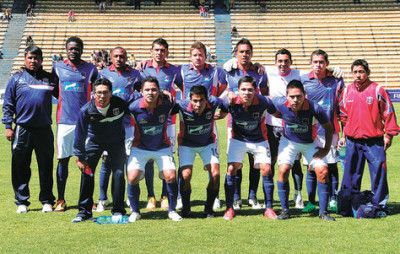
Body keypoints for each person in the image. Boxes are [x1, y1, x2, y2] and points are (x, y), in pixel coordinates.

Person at [338, 59, 400, 214]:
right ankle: (349, 205)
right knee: (350, 175)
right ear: (351, 73)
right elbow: (343, 116)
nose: (358, 75)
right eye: (355, 72)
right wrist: (344, 136)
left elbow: (389, 113)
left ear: (367, 73)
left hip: (374, 141)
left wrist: (389, 135)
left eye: (361, 72)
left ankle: (380, 205)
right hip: (353, 141)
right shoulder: (347, 91)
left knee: (378, 173)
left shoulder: (377, 89)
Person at [2, 46, 57, 214]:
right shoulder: (16, 79)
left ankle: (47, 200)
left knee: (46, 166)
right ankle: (22, 201)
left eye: (36, 58)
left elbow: (65, 97)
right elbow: (8, 104)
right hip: (22, 129)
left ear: (41, 60)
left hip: (44, 129)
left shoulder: (50, 78)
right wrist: (7, 127)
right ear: (25, 59)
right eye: (30, 58)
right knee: (20, 166)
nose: (33, 61)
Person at [273, 80, 335, 221]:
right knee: (283, 170)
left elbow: (329, 128)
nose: (295, 100)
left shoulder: (315, 108)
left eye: (299, 96)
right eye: (292, 96)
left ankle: (323, 212)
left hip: (310, 143)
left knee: (323, 172)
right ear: (286, 96)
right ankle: (285, 210)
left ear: (304, 95)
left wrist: (326, 149)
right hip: (288, 142)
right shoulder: (279, 103)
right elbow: (265, 101)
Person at [221, 76, 279, 220]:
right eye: (243, 90)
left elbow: (277, 112)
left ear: (255, 91)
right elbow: (217, 109)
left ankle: (269, 208)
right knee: (231, 168)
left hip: (259, 139)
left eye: (250, 90)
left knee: (267, 168)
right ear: (238, 90)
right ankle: (229, 208)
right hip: (238, 139)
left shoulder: (263, 101)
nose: (246, 93)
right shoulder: (231, 101)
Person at [71, 78, 129, 222]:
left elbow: (137, 103)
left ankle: (118, 210)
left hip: (116, 142)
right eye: (98, 93)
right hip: (94, 142)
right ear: (93, 94)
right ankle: (84, 212)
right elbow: (79, 135)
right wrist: (80, 157)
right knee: (87, 174)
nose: (102, 96)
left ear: (111, 93)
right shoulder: (85, 110)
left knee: (119, 174)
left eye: (105, 92)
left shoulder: (120, 104)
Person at [52, 36, 99, 212]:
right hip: (64, 122)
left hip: (85, 123)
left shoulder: (91, 69)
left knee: (86, 161)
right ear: (66, 50)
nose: (74, 51)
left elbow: (98, 89)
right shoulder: (57, 68)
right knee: (63, 160)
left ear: (82, 49)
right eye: (71, 48)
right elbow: (54, 90)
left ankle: (88, 200)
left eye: (77, 48)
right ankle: (61, 199)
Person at [179, 40, 226, 210]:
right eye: (195, 55)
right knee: (185, 172)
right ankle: (180, 198)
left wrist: (214, 106)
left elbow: (226, 85)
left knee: (214, 168)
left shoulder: (215, 71)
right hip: (188, 120)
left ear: (206, 56)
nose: (198, 58)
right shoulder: (183, 71)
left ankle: (215, 198)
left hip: (208, 122)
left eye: (201, 55)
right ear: (190, 57)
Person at [127, 76, 182, 222]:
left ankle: (172, 210)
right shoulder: (133, 107)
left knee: (170, 176)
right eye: (147, 90)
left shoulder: (167, 104)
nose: (150, 92)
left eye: (153, 89)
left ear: (158, 91)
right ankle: (135, 211)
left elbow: (185, 106)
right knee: (132, 177)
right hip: (140, 147)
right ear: (141, 91)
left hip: (162, 147)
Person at [222, 38, 268, 211]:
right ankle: (236, 198)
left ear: (252, 54)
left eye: (248, 52)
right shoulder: (228, 71)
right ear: (236, 53)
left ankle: (252, 196)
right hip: (234, 123)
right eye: (241, 52)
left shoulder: (259, 72)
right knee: (236, 162)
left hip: (256, 123)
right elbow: (219, 92)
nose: (245, 55)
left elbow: (265, 94)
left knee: (255, 161)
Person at [137, 38, 182, 210]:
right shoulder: (142, 69)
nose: (159, 53)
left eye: (163, 50)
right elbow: (135, 88)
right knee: (148, 158)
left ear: (167, 52)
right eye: (156, 50)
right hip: (147, 121)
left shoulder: (174, 70)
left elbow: (186, 87)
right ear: (151, 51)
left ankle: (165, 195)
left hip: (168, 121)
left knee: (167, 158)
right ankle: (151, 196)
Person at [96, 47, 142, 212]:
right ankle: (103, 198)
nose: (119, 59)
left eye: (122, 56)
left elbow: (142, 93)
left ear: (126, 58)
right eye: (116, 56)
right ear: (111, 58)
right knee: (106, 162)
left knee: (129, 161)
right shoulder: (103, 74)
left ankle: (129, 197)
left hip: (128, 124)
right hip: (109, 124)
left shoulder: (136, 74)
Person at [172, 85, 227, 218]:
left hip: (208, 143)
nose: (198, 104)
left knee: (215, 174)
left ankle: (208, 209)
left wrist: (223, 113)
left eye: (201, 100)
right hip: (187, 144)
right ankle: (186, 208)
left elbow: (225, 104)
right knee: (185, 175)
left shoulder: (214, 102)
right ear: (190, 99)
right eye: (195, 101)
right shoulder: (181, 106)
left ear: (206, 99)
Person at [301, 49, 344, 213]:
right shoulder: (304, 80)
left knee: (332, 166)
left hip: (330, 131)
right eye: (315, 62)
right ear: (310, 63)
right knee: (311, 167)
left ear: (327, 63)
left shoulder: (335, 80)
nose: (318, 65)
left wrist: (343, 134)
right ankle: (311, 202)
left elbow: (342, 106)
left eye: (321, 62)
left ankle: (333, 199)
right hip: (310, 131)